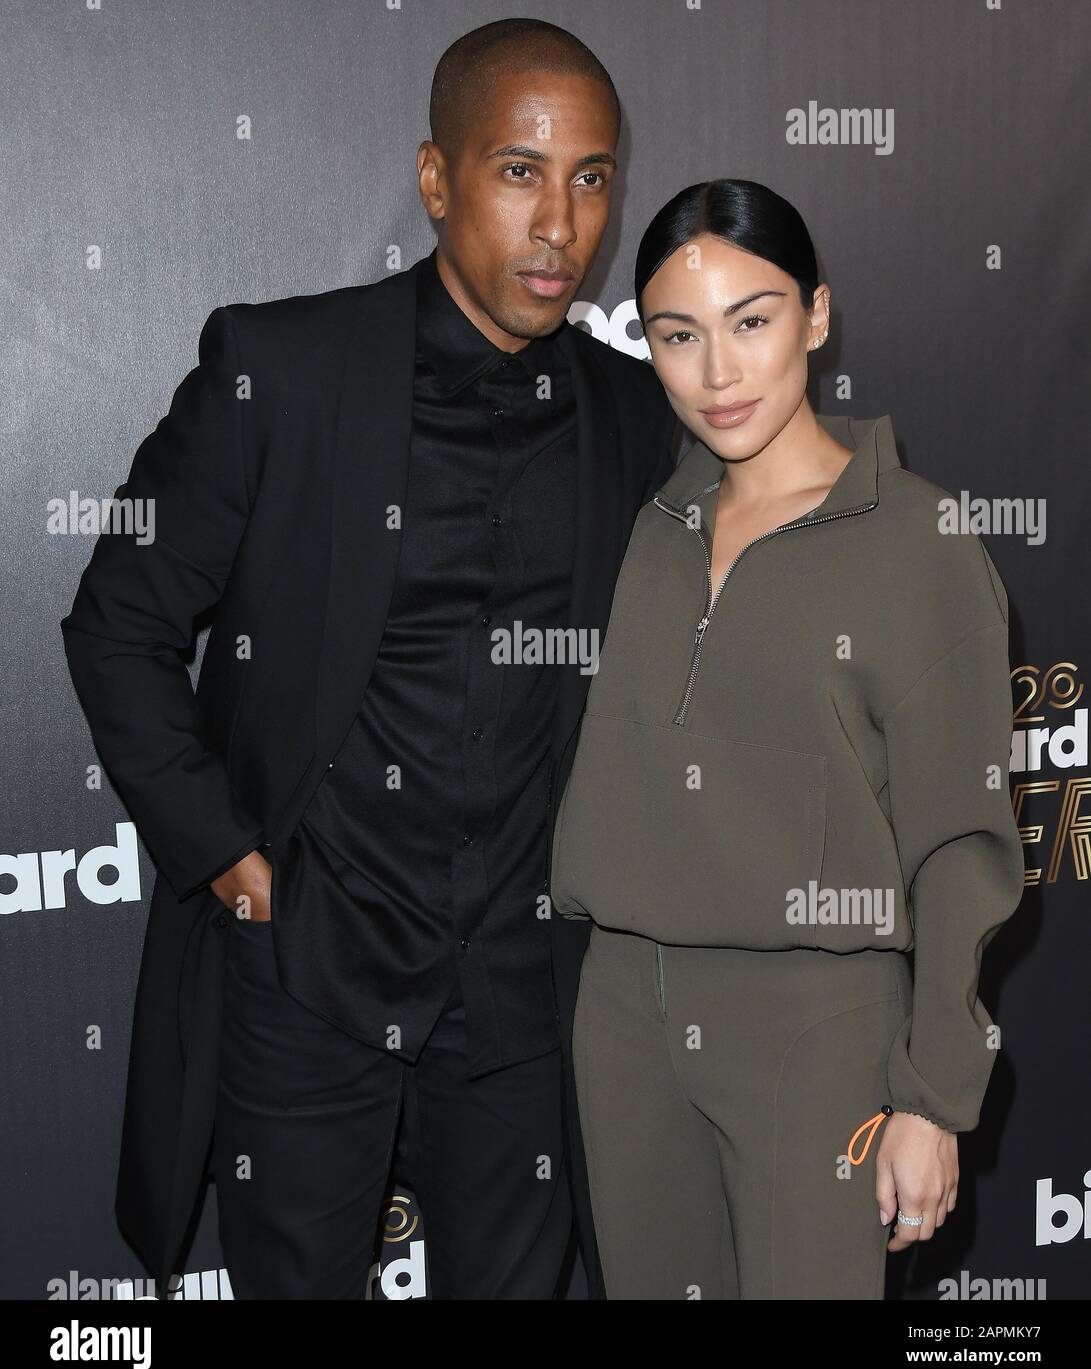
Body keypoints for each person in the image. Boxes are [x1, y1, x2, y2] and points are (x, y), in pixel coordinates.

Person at [59, 18, 679, 1299]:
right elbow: (117, 618)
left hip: (522, 982)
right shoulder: (278, 372)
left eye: (591, 176)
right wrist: (229, 859)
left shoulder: (632, 416)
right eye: (518, 172)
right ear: (436, 179)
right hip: (309, 964)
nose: (559, 224)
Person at [547, 178, 1026, 1299]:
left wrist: (930, 1098)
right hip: (621, 1010)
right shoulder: (647, 523)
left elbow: (961, 844)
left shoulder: (920, 539)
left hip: (817, 1028)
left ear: (816, 315)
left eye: (750, 322)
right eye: (676, 335)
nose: (716, 374)